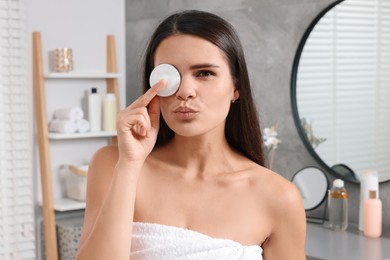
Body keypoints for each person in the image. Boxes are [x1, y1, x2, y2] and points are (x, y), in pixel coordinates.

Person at [76, 10, 306, 260]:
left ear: (235, 87)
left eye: (204, 73)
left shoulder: (279, 198)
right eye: (168, 76)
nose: (184, 91)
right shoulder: (113, 164)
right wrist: (129, 165)